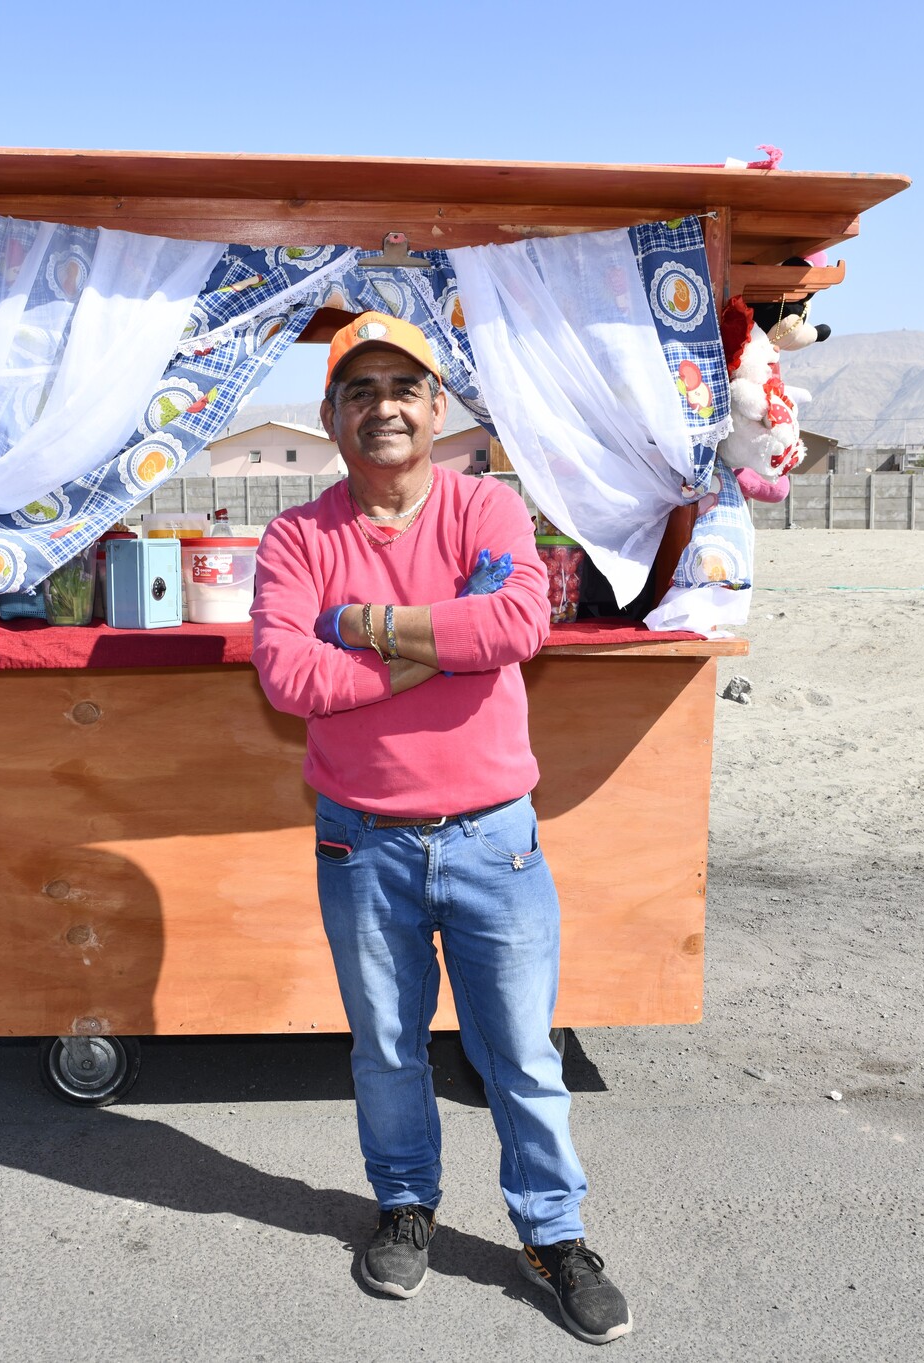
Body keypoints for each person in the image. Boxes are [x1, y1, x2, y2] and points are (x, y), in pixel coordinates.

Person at [249, 313, 630, 1344]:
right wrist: (441, 644)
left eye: (404, 388)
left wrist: (364, 624)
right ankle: (406, 1206)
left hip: (493, 837)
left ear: (437, 408)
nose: (385, 407)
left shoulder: (487, 508)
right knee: (385, 1047)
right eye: (361, 390)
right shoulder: (297, 537)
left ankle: (554, 1234)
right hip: (359, 840)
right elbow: (289, 678)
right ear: (332, 416)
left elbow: (515, 625)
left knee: (520, 1052)